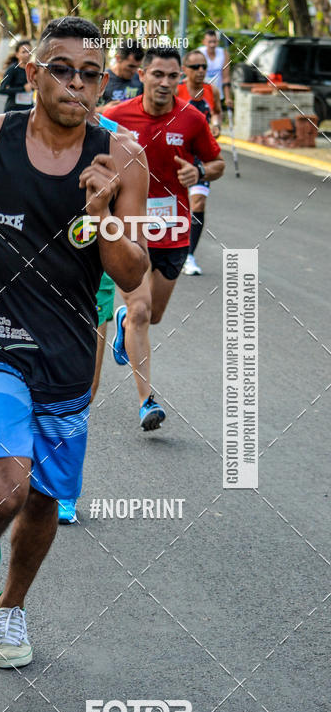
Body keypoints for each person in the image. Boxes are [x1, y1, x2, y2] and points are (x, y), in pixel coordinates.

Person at [0, 16, 149, 668]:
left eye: (90, 73)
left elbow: (131, 273)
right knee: (8, 493)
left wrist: (99, 216)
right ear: (35, 72)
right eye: (61, 69)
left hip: (69, 352)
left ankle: (10, 610)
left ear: (103, 82)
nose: (76, 83)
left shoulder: (122, 158)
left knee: (44, 497)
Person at [102, 46, 225, 430]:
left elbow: (216, 163)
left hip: (173, 229)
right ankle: (146, 401)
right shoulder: (114, 117)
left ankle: (124, 324)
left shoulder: (192, 118)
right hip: (129, 228)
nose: (166, 83)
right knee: (140, 310)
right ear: (142, 75)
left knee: (151, 315)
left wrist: (200, 171)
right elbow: (88, 154)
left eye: (173, 76)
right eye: (158, 75)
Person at [177, 50, 223, 275]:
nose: (201, 71)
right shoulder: (177, 90)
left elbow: (217, 113)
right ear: (185, 70)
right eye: (195, 67)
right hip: (176, 153)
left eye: (204, 66)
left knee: (198, 203)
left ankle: (189, 255)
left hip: (199, 156)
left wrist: (216, 124)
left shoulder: (211, 91)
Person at [97, 41, 144, 110]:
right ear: (118, 58)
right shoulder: (102, 78)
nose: (134, 71)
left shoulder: (140, 80)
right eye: (131, 66)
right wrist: (103, 109)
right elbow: (86, 109)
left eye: (138, 67)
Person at [199, 29, 233, 107]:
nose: (212, 45)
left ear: (217, 41)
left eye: (214, 42)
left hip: (217, 95)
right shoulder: (199, 54)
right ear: (204, 42)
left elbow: (226, 77)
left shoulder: (224, 54)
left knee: (217, 117)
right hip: (202, 96)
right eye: (209, 42)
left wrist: (228, 98)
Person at [0, 40, 33, 111]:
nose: (27, 54)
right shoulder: (12, 69)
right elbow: (2, 90)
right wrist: (23, 89)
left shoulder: (32, 69)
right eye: (24, 52)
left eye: (29, 51)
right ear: (17, 54)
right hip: (13, 110)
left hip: (29, 110)